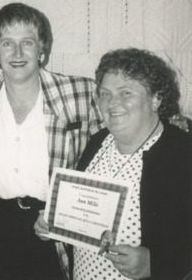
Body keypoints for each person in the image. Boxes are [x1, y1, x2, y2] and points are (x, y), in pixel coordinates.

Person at [0, 2, 105, 280]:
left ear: (42, 49)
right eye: (6, 43)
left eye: (27, 42)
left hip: (54, 225)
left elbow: (111, 148)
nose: (16, 53)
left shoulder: (81, 91)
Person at [35, 48, 192, 280]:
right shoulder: (97, 142)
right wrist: (55, 224)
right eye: (105, 94)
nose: (112, 103)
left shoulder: (182, 152)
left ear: (156, 98)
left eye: (126, 93)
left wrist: (157, 263)